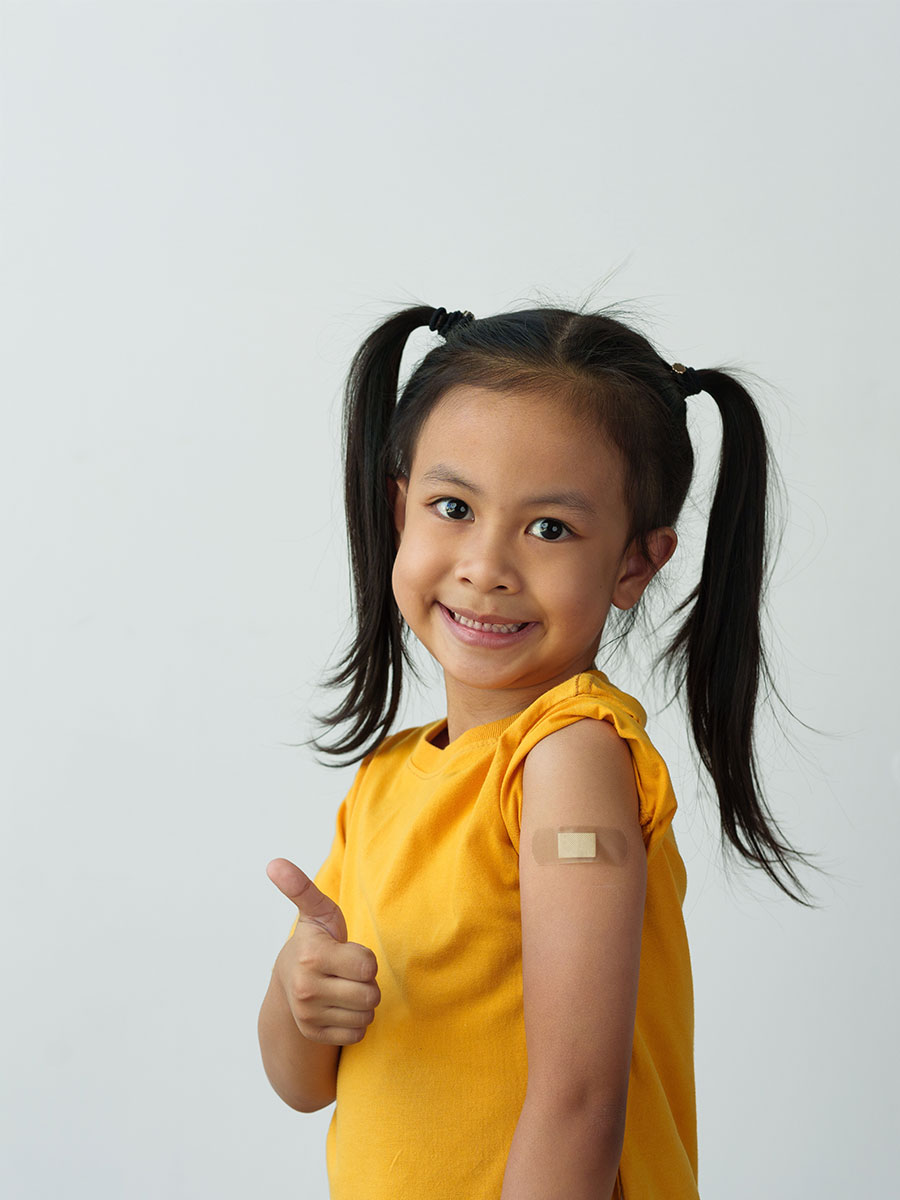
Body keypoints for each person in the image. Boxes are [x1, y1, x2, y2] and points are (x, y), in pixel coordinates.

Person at [257, 301, 824, 1200]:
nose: (487, 564)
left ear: (637, 565)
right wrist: (303, 994)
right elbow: (303, 1084)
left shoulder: (568, 763)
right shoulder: (390, 779)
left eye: (550, 528)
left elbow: (579, 1100)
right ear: (400, 510)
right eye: (454, 507)